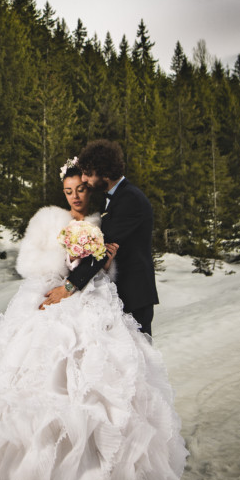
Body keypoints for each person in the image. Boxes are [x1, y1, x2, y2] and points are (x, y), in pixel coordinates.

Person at [0, 155, 187, 480]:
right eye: (69, 190)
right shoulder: (48, 218)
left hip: (88, 299)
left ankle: (90, 469)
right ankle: (29, 472)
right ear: (61, 191)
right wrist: (64, 262)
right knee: (37, 373)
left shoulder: (100, 221)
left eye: (81, 189)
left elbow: (102, 272)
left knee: (96, 376)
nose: (76, 196)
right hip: (49, 295)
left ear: (89, 189)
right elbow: (26, 263)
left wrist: (100, 261)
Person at [41, 139, 158, 337]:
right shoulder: (111, 196)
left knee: (137, 358)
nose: (84, 179)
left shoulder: (130, 199)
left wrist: (69, 287)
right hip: (120, 291)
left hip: (135, 292)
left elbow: (101, 248)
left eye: (88, 173)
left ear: (104, 171)